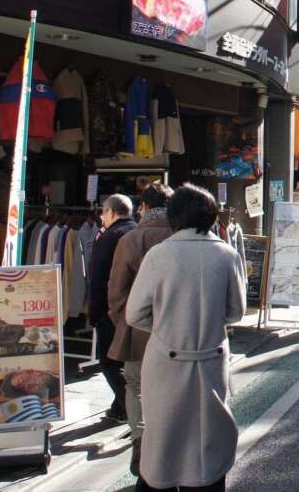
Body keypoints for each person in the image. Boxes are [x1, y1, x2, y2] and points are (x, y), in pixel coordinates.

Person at [127, 184, 245, 492]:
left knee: (163, 436)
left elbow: (134, 314)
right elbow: (236, 313)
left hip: (165, 359)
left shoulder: (159, 255)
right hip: (211, 358)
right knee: (208, 439)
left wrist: (166, 325)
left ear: (174, 216)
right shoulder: (227, 254)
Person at [107, 183, 174, 476]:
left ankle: (140, 438)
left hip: (136, 329)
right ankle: (168, 443)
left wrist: (122, 319)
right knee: (171, 387)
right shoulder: (180, 237)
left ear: (143, 207)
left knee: (134, 386)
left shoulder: (131, 239)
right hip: (175, 330)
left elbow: (116, 289)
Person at [88, 194, 137, 423]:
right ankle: (119, 408)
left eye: (103, 212)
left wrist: (95, 312)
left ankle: (130, 406)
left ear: (111, 212)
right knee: (125, 362)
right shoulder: (137, 232)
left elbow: (98, 278)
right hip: (136, 309)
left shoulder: (109, 237)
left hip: (111, 309)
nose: (101, 217)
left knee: (109, 363)